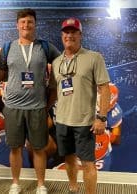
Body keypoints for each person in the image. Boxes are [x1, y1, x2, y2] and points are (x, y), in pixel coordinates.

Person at [0, 8, 60, 194]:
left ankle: (41, 185)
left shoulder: (45, 47)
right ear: (17, 25)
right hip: (13, 107)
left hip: (37, 107)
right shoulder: (8, 48)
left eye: (30, 22)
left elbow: (61, 63)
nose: (26, 25)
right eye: (22, 22)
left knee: (39, 148)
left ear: (35, 24)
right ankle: (15, 183)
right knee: (15, 148)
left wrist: (53, 91)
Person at [51, 18, 111, 194]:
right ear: (62, 36)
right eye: (66, 32)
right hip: (62, 121)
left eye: (73, 32)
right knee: (69, 159)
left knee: (88, 163)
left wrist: (101, 117)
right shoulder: (56, 63)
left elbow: (104, 88)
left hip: (85, 122)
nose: (69, 35)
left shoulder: (94, 57)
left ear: (80, 35)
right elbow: (54, 92)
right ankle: (73, 188)